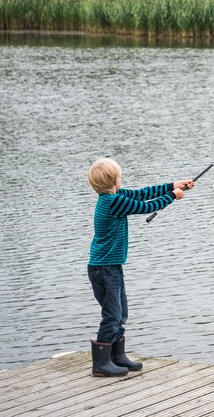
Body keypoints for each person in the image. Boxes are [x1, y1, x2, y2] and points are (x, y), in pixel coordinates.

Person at [86, 158, 193, 377]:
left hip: (111, 266)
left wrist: (172, 185)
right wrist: (172, 196)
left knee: (121, 313)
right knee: (112, 315)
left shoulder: (114, 196)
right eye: (119, 176)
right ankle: (101, 364)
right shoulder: (113, 202)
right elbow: (146, 206)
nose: (121, 179)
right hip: (104, 269)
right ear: (114, 181)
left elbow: (142, 194)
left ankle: (117, 356)